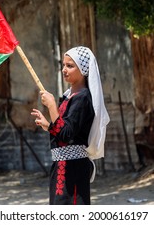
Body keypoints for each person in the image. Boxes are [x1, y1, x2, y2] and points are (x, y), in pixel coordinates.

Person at [31, 46, 110, 205]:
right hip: (62, 167)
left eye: (70, 66)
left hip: (73, 169)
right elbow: (65, 132)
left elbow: (66, 133)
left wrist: (52, 106)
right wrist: (48, 125)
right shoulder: (69, 97)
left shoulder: (82, 98)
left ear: (84, 69)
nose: (64, 69)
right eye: (63, 65)